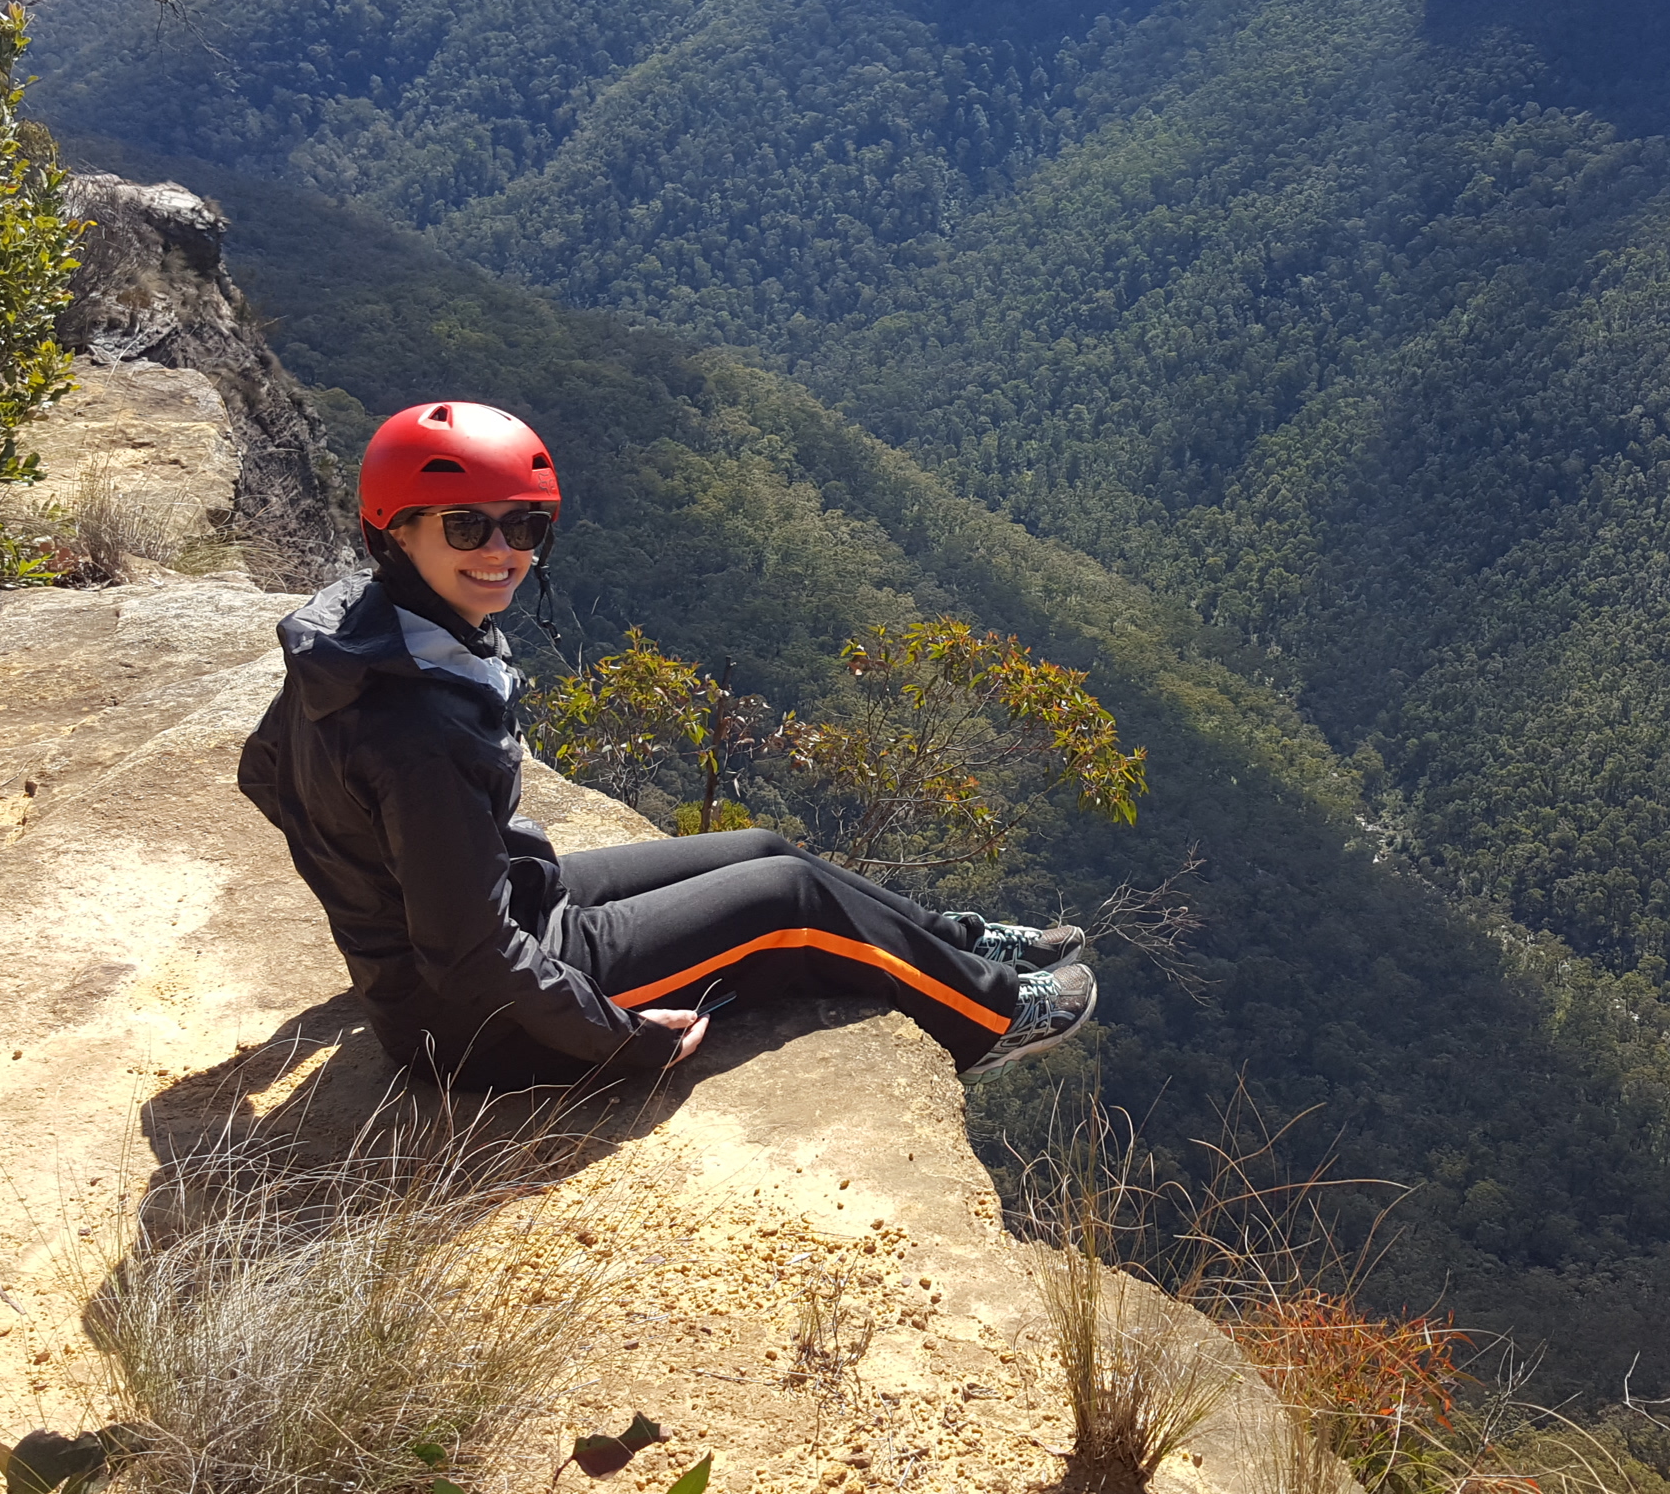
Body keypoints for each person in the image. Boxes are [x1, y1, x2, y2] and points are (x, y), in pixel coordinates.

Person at [237, 398, 1102, 1089]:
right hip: (480, 1024)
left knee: (762, 847)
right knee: (789, 901)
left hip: (508, 919)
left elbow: (266, 771)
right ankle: (990, 1016)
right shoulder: (413, 727)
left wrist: (374, 918)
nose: (501, 551)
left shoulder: (355, 635)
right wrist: (621, 1041)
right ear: (394, 530)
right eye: (466, 527)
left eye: (524, 527)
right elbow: (468, 954)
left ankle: (957, 940)